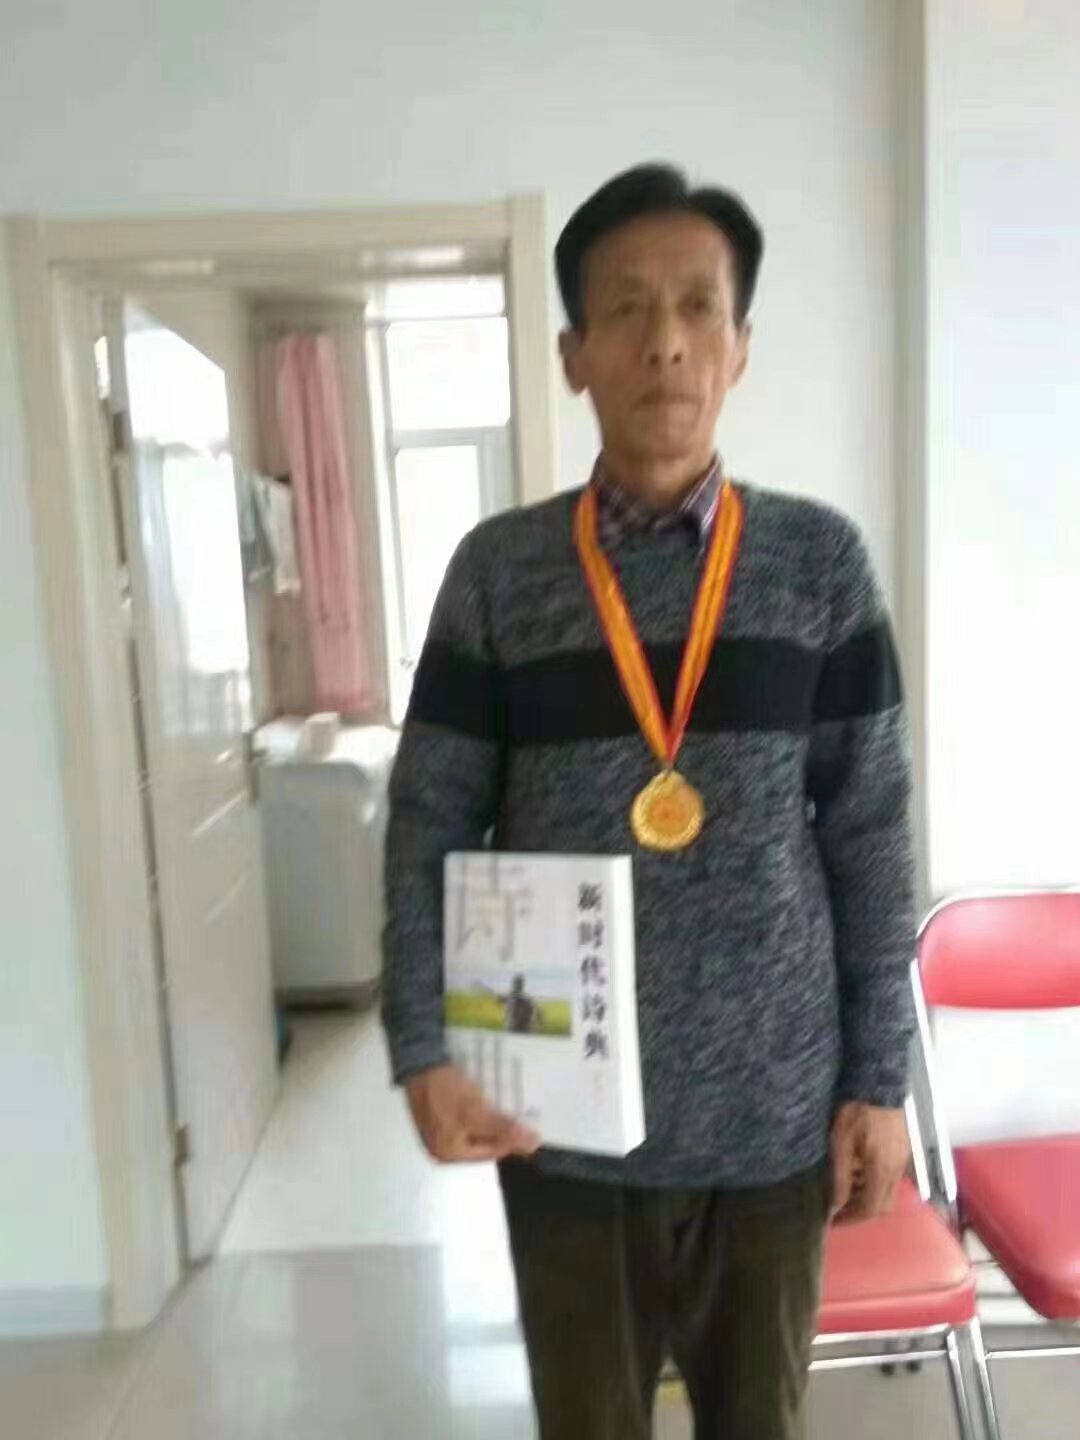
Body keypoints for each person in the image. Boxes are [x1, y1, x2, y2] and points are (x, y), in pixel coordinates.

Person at [382, 162, 915, 1440]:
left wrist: (880, 1078)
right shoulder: (500, 575)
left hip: (774, 1114)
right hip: (555, 1122)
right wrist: (421, 1046)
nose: (663, 341)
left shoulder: (818, 564)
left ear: (740, 347)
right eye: (623, 309)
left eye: (696, 306)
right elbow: (428, 820)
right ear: (574, 355)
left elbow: (871, 835)